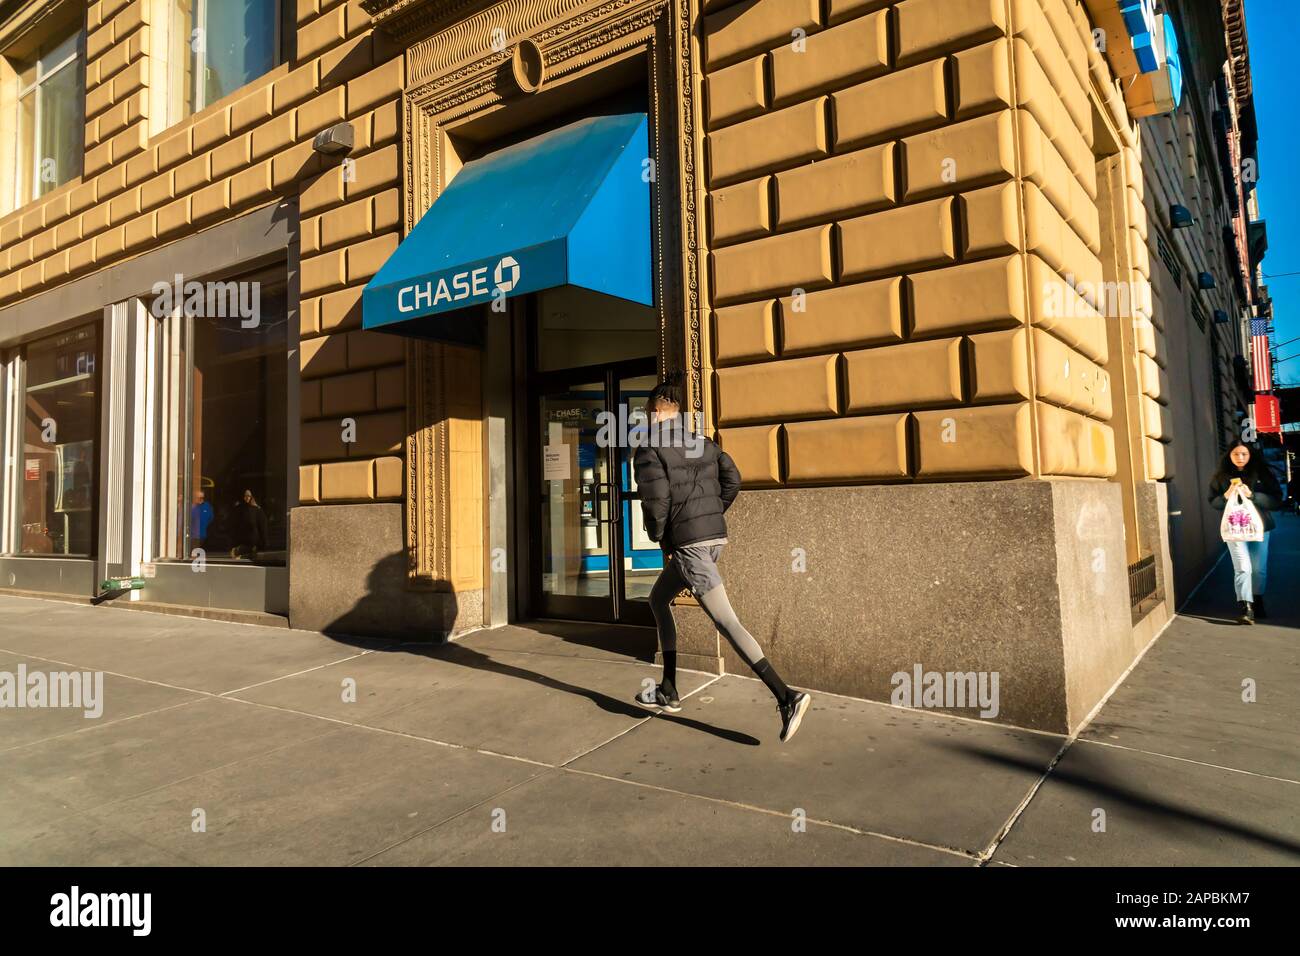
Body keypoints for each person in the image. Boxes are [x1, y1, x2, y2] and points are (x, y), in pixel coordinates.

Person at [632, 372, 811, 743]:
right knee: (657, 599)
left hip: (688, 545)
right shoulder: (702, 443)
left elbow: (657, 502)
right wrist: (711, 516)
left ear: (655, 411)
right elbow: (734, 479)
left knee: (727, 622)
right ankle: (668, 688)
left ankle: (786, 696)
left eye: (648, 412)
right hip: (712, 538)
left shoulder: (650, 448)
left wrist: (661, 536)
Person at [1208, 442, 1282, 624]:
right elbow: (1214, 502)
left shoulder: (1263, 474)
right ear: (1229, 456)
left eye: (1244, 454)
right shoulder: (1221, 477)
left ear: (1250, 455)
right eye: (1236, 454)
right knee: (1243, 567)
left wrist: (1253, 496)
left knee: (1258, 569)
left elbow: (1275, 501)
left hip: (1260, 527)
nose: (1240, 458)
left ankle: (1257, 599)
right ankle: (1245, 606)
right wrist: (1225, 496)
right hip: (1235, 528)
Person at [230, 489, 268, 561]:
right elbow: (235, 525)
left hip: (254, 542)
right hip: (243, 541)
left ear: (252, 497)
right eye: (245, 496)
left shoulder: (258, 510)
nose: (247, 498)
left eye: (249, 496)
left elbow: (263, 527)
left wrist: (264, 541)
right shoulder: (240, 509)